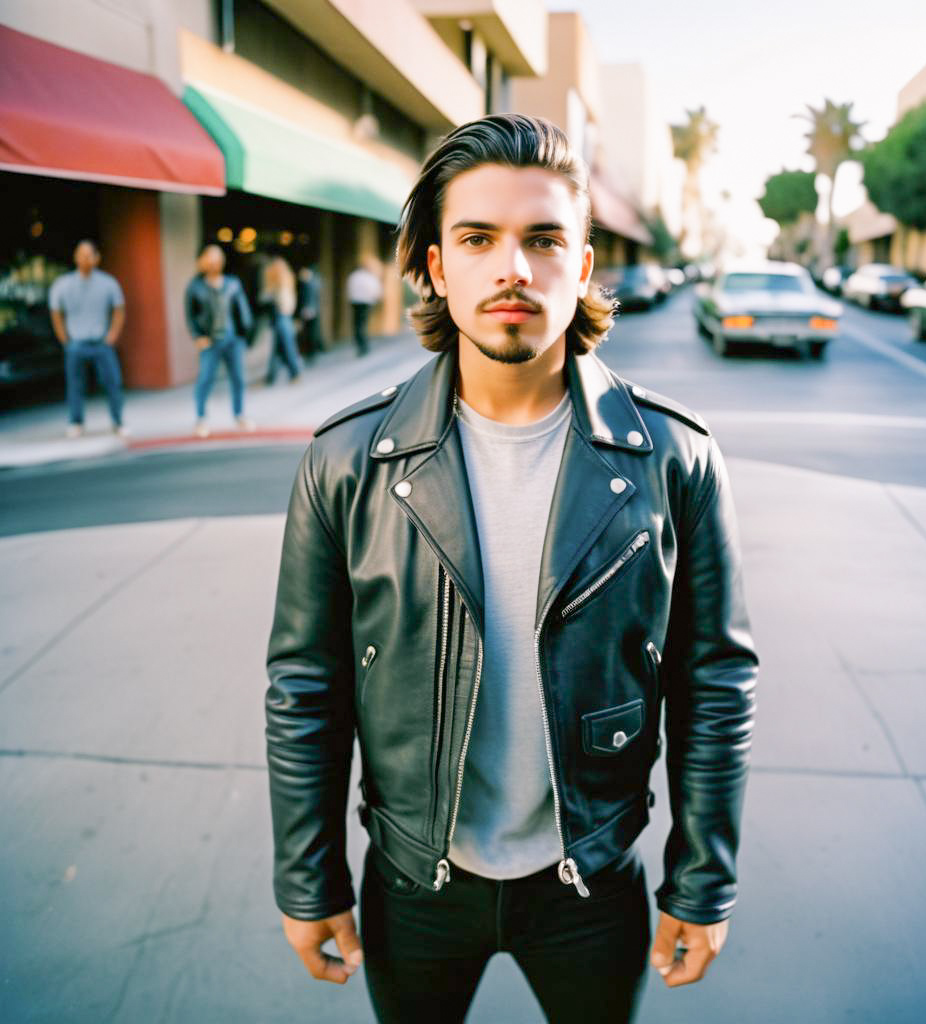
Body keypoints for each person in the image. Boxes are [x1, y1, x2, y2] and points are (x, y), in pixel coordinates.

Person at [265, 114, 758, 1024]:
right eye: (478, 238)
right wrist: (308, 877)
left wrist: (702, 882)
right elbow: (305, 683)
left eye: (543, 239)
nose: (513, 269)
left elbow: (714, 680)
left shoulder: (672, 456)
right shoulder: (347, 460)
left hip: (592, 884)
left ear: (581, 263)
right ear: (436, 265)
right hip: (414, 883)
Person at [48, 239, 128, 438]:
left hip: (101, 342)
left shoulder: (108, 283)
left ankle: (118, 421)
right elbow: (56, 313)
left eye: (89, 255)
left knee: (113, 382)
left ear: (97, 258)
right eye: (81, 254)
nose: (85, 259)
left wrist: (112, 335)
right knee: (75, 384)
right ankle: (76, 422)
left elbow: (119, 310)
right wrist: (64, 339)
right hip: (76, 343)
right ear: (75, 257)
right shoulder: (63, 284)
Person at [184, 244, 254, 438]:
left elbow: (243, 311)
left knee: (238, 378)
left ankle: (240, 415)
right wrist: (197, 337)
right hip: (210, 341)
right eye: (210, 258)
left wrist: (244, 335)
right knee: (205, 379)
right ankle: (201, 419)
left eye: (218, 257)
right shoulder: (195, 286)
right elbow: (190, 315)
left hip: (233, 339)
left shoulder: (233, 283)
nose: (215, 262)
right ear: (204, 261)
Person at [261, 256, 303, 384]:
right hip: (282, 317)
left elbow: (279, 301)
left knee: (287, 347)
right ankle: (272, 376)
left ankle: (294, 373)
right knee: (279, 348)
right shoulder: (283, 281)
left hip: (281, 317)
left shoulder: (281, 283)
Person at [345, 259, 382, 356]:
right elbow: (376, 290)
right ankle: (364, 345)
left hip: (356, 302)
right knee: (363, 324)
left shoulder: (353, 276)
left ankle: (360, 345)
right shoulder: (370, 277)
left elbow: (349, 289)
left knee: (357, 325)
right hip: (367, 303)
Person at [296, 264, 326, 362]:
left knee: (310, 332)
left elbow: (307, 298)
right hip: (313, 309)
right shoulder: (315, 281)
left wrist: (306, 309)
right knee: (313, 331)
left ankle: (312, 352)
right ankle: (318, 349)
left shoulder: (308, 283)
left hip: (309, 310)